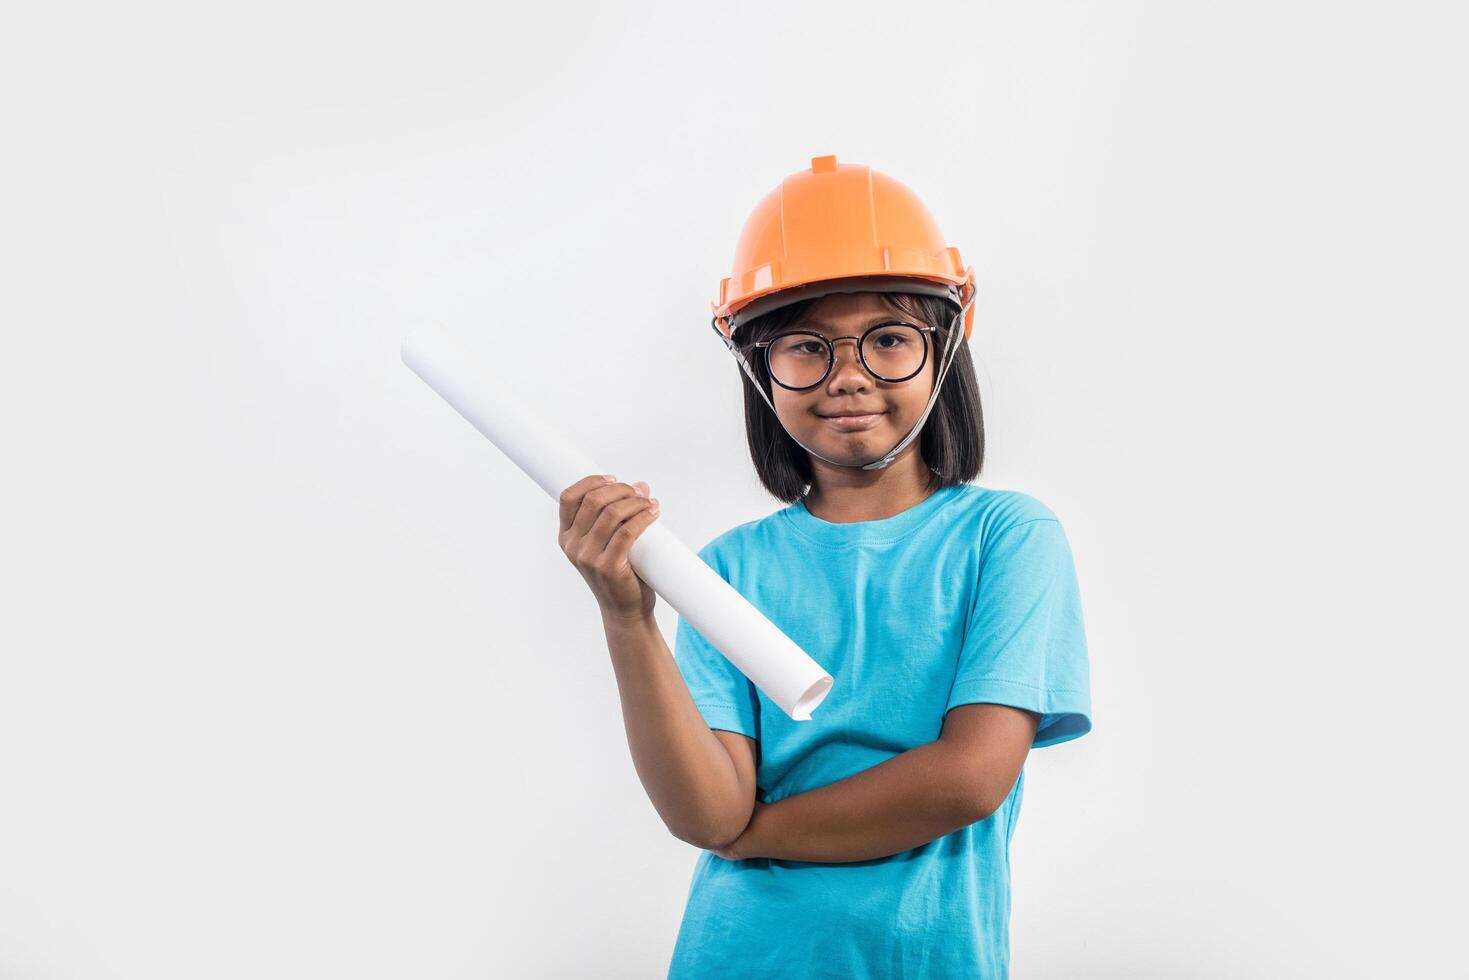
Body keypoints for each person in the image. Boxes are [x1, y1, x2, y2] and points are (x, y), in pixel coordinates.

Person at [557, 156, 1092, 979]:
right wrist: (627, 619)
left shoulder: (1005, 539)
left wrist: (757, 834)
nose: (848, 375)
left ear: (944, 345)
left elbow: (969, 777)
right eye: (806, 347)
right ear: (756, 366)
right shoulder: (726, 572)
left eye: (886, 340)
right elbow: (708, 809)